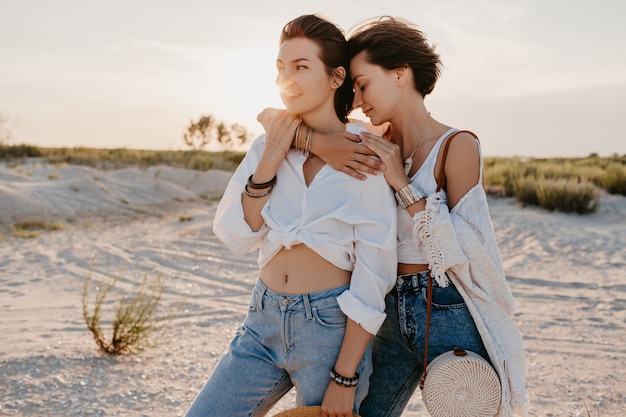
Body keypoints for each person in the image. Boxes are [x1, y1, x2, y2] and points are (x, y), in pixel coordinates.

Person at [263, 16, 528, 417]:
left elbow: (467, 246)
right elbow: (270, 119)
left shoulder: (456, 146)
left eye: (363, 83)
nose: (356, 98)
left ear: (401, 74)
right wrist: (320, 143)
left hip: (446, 309)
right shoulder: (367, 141)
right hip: (385, 309)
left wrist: (401, 183)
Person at [185, 14, 397, 417]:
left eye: (301, 67)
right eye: (281, 68)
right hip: (261, 321)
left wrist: (346, 376)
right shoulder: (269, 144)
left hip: (328, 329)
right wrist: (272, 157)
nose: (288, 79)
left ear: (336, 77)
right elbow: (239, 234)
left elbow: (375, 273)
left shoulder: (365, 155)